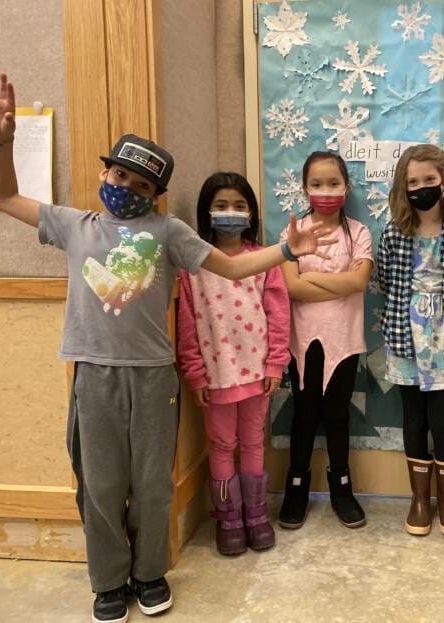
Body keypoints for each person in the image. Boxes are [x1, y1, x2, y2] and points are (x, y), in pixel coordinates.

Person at [0, 74, 332, 623]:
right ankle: (109, 580)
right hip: (94, 375)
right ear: (104, 173)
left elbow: (232, 267)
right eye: (121, 175)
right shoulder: (74, 226)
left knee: (152, 482)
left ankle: (149, 572)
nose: (128, 188)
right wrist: (0, 143)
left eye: (142, 186)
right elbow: (3, 197)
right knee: (101, 482)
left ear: (156, 196)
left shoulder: (170, 232)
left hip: (155, 376)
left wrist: (285, 249)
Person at [177, 172, 290, 556]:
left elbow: (278, 314)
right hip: (216, 373)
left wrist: (276, 363)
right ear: (206, 212)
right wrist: (194, 374)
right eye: (221, 205)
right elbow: (187, 322)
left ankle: (256, 516)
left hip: (258, 372)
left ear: (252, 213)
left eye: (239, 206)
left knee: (254, 442)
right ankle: (228, 519)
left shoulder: (264, 260)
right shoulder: (192, 264)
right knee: (222, 446)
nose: (231, 213)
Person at [377, 144, 444, 538]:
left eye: (429, 180)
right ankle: (420, 500)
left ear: (443, 181)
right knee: (413, 418)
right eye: (413, 182)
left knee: (443, 419)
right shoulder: (392, 233)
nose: (422, 188)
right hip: (406, 332)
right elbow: (385, 282)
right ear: (404, 187)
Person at [278, 151, 373, 530]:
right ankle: (296, 488)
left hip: (344, 340)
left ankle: (342, 489)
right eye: (316, 184)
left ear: (346, 187)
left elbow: (358, 282)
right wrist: (338, 284)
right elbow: (290, 287)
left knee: (337, 415)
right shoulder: (293, 232)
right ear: (305, 188)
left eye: (333, 183)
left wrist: (312, 281)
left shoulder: (359, 232)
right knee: (304, 415)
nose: (325, 191)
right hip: (302, 342)